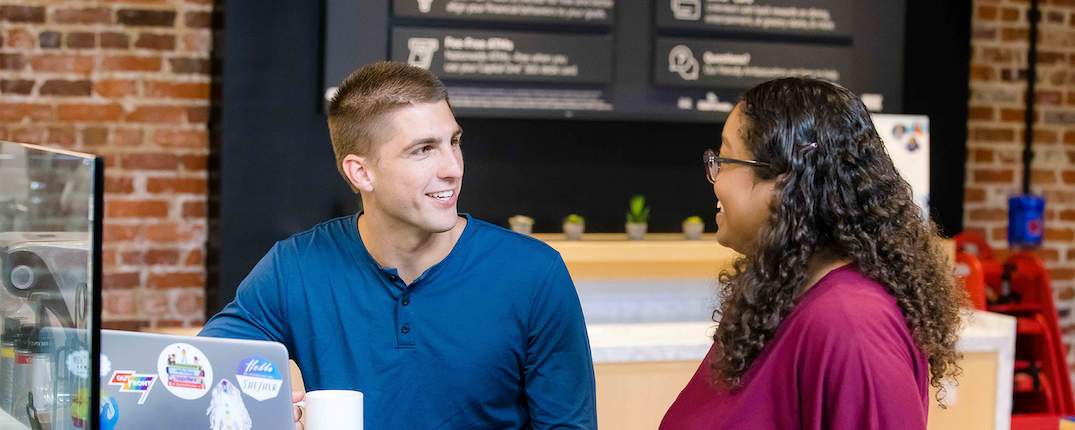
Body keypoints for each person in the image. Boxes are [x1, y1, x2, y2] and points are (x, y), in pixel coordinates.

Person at [200, 61, 597, 429]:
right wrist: (265, 397)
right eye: (424, 149)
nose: (453, 168)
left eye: (454, 142)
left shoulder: (534, 274)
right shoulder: (294, 268)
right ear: (361, 172)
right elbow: (201, 378)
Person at [660, 77, 964, 429]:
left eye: (725, 160)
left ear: (784, 182)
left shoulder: (852, 327)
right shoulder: (782, 296)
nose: (715, 177)